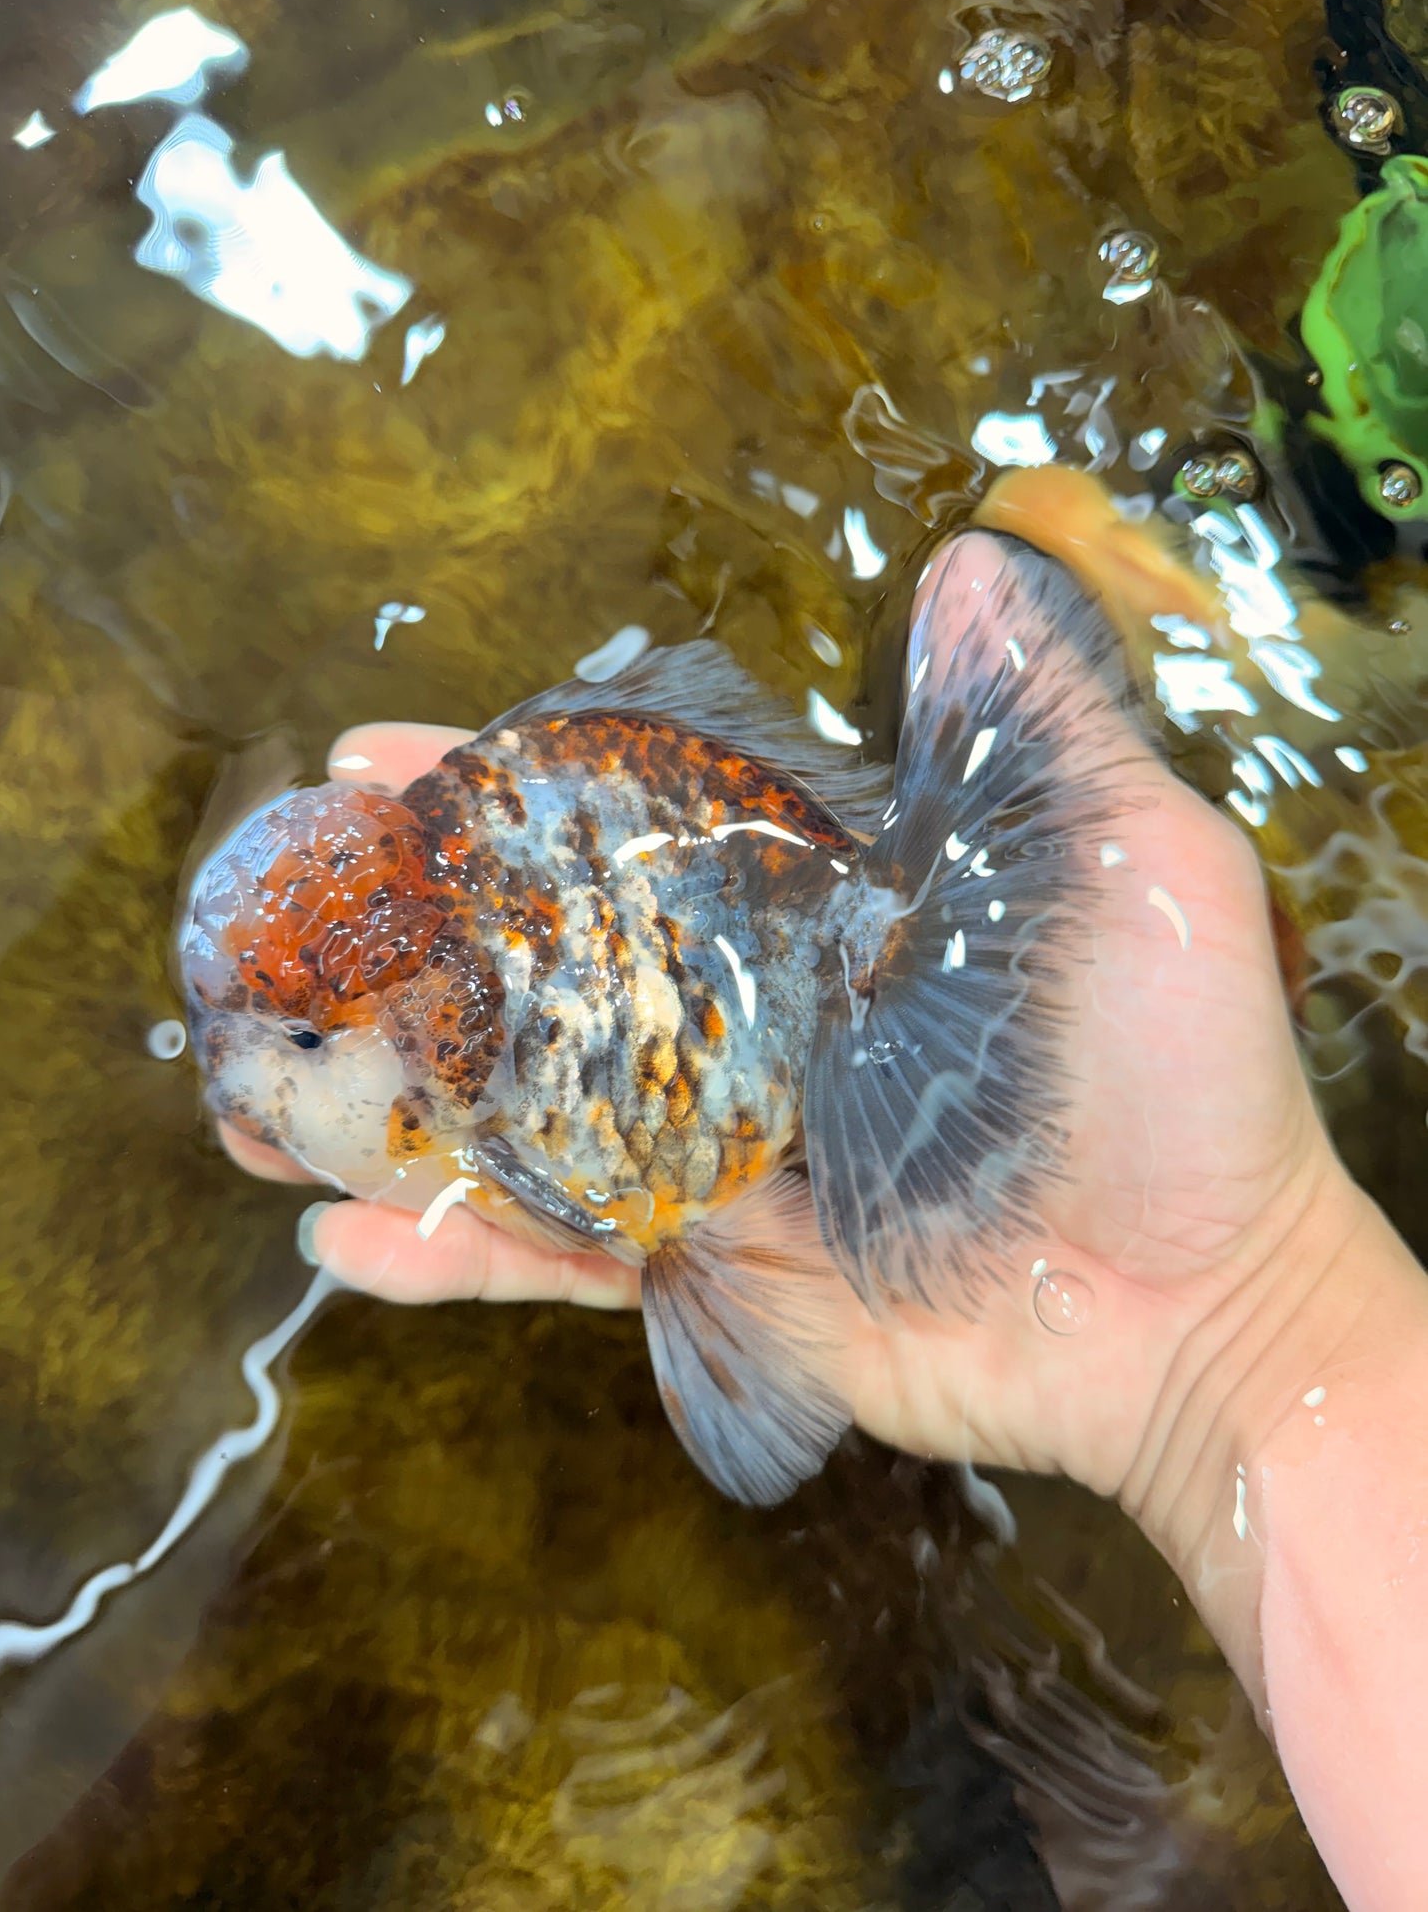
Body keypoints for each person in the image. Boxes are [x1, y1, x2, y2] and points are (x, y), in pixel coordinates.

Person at [219, 539, 1428, 1912]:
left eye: (300, 1038)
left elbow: (626, 1205)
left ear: (425, 1035)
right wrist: (1255, 1343)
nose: (247, 1080)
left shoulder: (485, 1088)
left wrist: (1247, 1341)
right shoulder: (459, 1014)